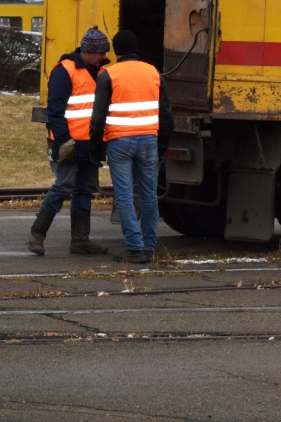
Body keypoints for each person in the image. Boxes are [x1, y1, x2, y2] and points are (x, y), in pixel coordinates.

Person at [89, 30, 173, 263]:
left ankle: (135, 248)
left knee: (125, 196)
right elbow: (166, 114)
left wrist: (96, 148)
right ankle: (149, 246)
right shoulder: (153, 72)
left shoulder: (108, 75)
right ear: (136, 48)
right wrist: (162, 145)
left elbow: (98, 118)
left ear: (116, 51)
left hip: (119, 142)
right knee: (149, 196)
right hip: (148, 140)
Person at [27, 26, 111, 256]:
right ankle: (37, 235)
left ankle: (80, 240)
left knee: (84, 190)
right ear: (89, 51)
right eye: (101, 52)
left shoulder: (100, 71)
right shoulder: (65, 70)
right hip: (71, 143)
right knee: (63, 186)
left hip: (91, 145)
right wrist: (63, 141)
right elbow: (55, 109)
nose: (105, 57)